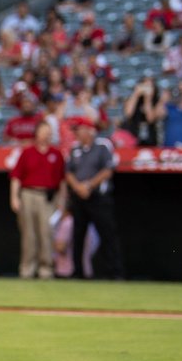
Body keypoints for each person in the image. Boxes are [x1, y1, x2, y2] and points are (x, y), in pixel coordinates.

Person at [66, 119, 124, 279]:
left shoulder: (102, 145)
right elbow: (68, 172)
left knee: (107, 234)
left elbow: (108, 170)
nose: (76, 133)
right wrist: (78, 187)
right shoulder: (75, 148)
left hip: (98, 197)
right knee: (78, 235)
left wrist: (89, 186)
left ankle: (114, 272)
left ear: (89, 129)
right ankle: (77, 272)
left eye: (79, 129)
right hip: (79, 197)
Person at [9, 120, 64, 279]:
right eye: (44, 131)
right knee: (29, 234)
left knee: (46, 233)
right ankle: (27, 269)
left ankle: (46, 269)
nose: (47, 135)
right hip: (28, 194)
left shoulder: (56, 153)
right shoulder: (27, 152)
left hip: (48, 196)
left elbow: (62, 181)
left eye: (49, 132)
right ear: (37, 133)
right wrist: (14, 197)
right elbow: (16, 177)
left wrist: (61, 201)